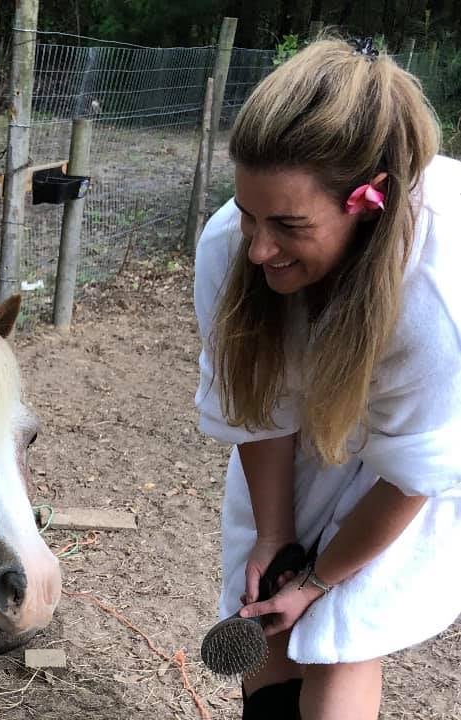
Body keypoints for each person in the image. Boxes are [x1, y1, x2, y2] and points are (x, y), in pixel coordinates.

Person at [193, 36, 461, 719]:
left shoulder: (433, 296)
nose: (257, 248)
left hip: (423, 439)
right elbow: (256, 405)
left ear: (366, 202)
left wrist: (317, 580)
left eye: (286, 225)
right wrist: (274, 537)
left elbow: (412, 472)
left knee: (340, 633)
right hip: (321, 420)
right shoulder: (230, 246)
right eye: (247, 212)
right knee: (263, 614)